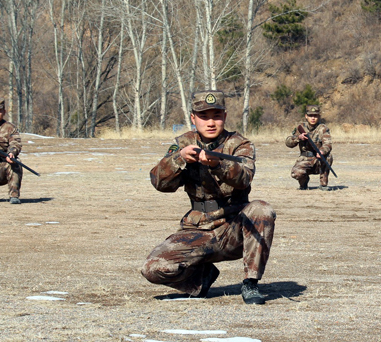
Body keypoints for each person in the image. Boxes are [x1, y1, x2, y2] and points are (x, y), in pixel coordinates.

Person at [141, 90, 276, 305]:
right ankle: (200, 280)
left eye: (216, 115)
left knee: (262, 210)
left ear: (224, 116)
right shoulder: (182, 143)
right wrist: (179, 159)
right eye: (204, 116)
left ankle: (250, 283)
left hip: (234, 226)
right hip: (198, 228)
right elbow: (160, 183)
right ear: (193, 118)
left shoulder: (240, 144)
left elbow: (244, 178)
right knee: (153, 269)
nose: (210, 122)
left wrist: (218, 164)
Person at [285, 105, 333, 191]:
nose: (313, 118)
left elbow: (328, 143)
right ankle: (303, 184)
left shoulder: (323, 128)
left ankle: (323, 184)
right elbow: (288, 143)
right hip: (305, 159)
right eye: (310, 116)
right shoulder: (300, 128)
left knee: (328, 157)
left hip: (318, 159)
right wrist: (298, 138)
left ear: (319, 116)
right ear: (306, 116)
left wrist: (322, 151)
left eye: (315, 116)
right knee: (296, 173)